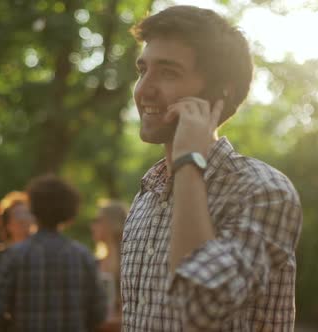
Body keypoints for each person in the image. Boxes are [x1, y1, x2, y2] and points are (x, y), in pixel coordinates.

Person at [121, 6, 303, 331]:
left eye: (168, 73)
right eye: (142, 70)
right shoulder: (147, 194)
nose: (143, 90)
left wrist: (189, 164)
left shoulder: (264, 192)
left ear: (222, 91)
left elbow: (198, 306)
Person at [0, 174, 107, 331]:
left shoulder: (15, 255)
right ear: (69, 211)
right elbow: (99, 313)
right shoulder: (83, 256)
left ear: (33, 209)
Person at [91, 200, 128, 332]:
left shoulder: (129, 261)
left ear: (112, 222)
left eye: (97, 220)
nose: (93, 225)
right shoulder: (94, 262)